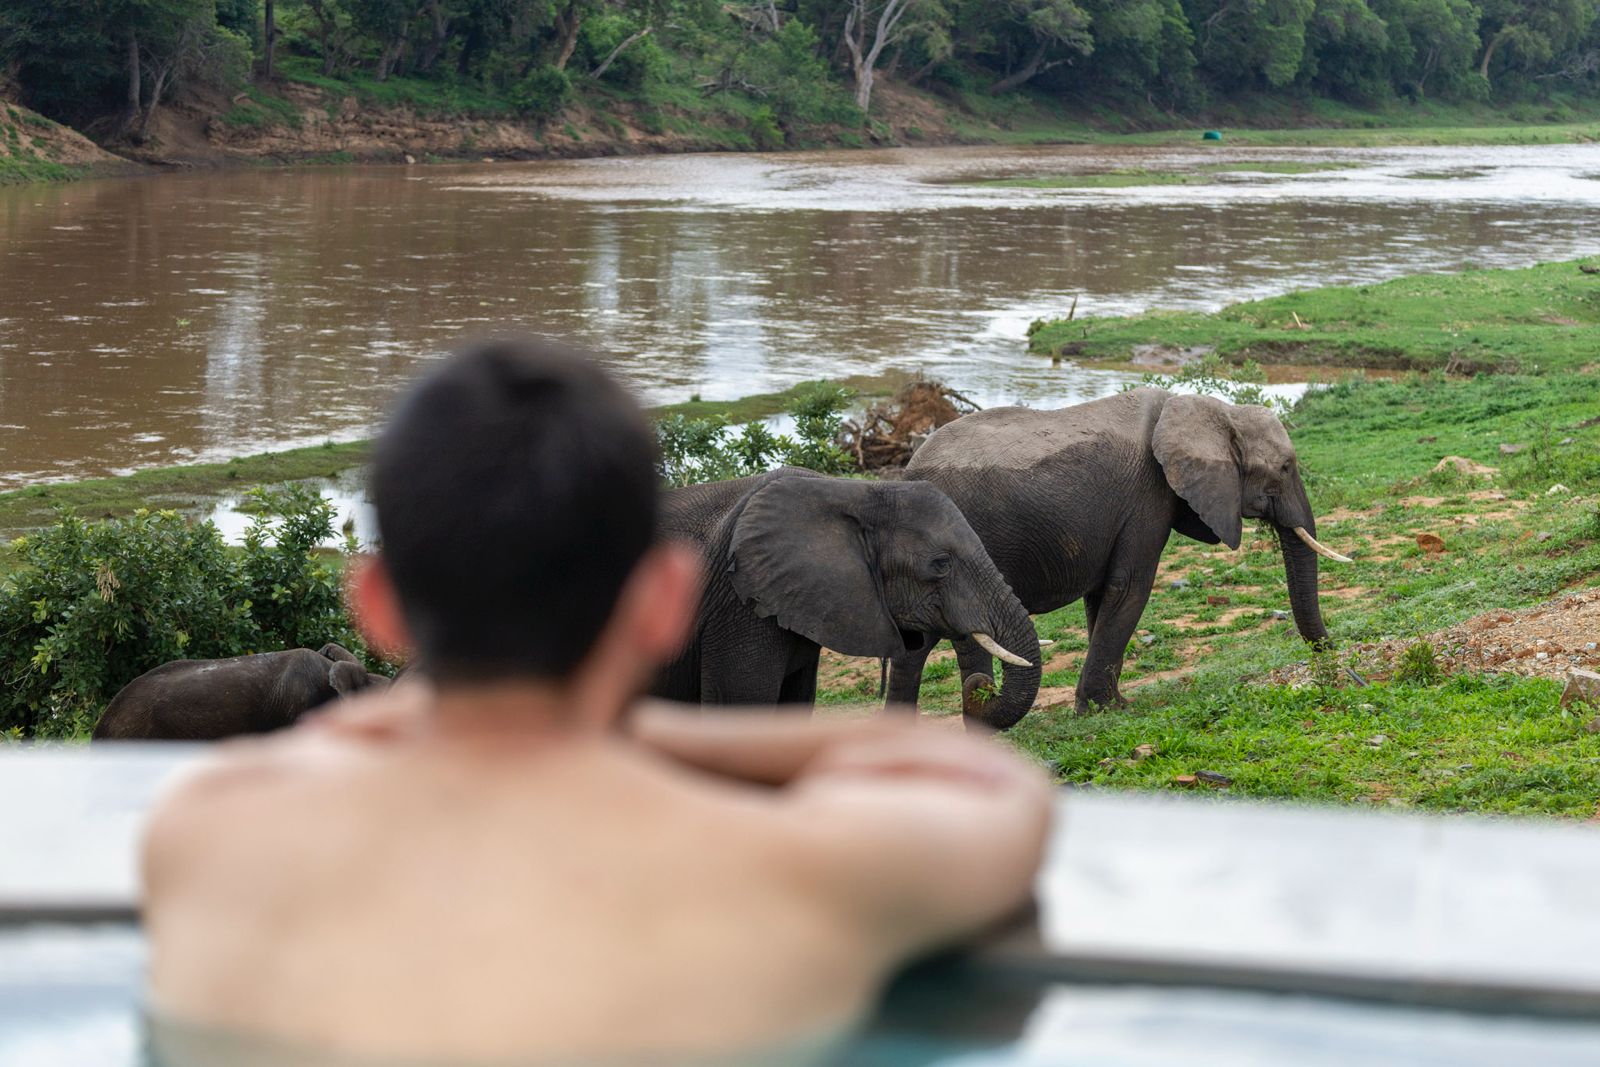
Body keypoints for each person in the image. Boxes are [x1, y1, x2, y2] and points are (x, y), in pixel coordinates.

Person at [140, 339, 1054, 1066]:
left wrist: (441, 720)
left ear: (376, 606)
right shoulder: (799, 870)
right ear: (661, 602)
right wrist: (609, 726)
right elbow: (986, 785)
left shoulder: (209, 836)